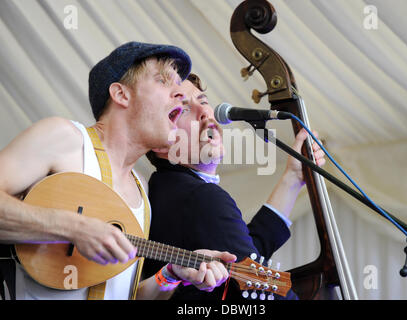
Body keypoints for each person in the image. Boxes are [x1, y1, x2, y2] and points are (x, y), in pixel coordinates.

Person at [0, 42, 235, 300]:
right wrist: (74, 227)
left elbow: (125, 295)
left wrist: (169, 276)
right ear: (121, 95)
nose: (179, 93)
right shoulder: (64, 138)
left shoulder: (141, 191)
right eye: (163, 81)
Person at [144, 73, 326, 300]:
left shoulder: (167, 189)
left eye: (203, 101)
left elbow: (241, 255)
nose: (205, 113)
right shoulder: (200, 197)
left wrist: (292, 178)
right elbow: (256, 282)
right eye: (184, 109)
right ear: (161, 140)